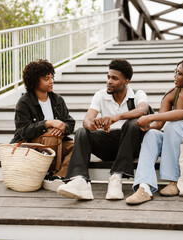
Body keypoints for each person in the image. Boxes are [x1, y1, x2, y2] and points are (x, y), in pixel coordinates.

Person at [125, 58, 183, 205]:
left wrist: (150, 116)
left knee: (173, 124)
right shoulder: (172, 94)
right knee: (152, 135)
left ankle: (174, 181)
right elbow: (159, 124)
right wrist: (145, 127)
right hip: (177, 141)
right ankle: (144, 187)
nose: (175, 76)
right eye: (176, 72)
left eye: (179, 74)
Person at [57, 58, 149, 200]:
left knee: (133, 123)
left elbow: (143, 110)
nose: (109, 81)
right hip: (108, 143)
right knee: (82, 132)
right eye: (108, 77)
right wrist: (92, 124)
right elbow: (86, 120)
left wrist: (116, 117)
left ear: (126, 81)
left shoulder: (137, 94)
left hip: (130, 144)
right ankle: (80, 181)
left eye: (114, 78)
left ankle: (116, 178)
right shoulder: (100, 95)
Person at [10, 59, 75, 191]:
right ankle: (48, 173)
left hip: (54, 143)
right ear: (34, 81)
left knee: (78, 145)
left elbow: (70, 122)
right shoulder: (24, 102)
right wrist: (48, 123)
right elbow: (24, 131)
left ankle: (58, 176)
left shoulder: (57, 100)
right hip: (30, 146)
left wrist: (63, 127)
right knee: (52, 135)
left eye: (52, 77)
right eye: (46, 78)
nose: (51, 81)